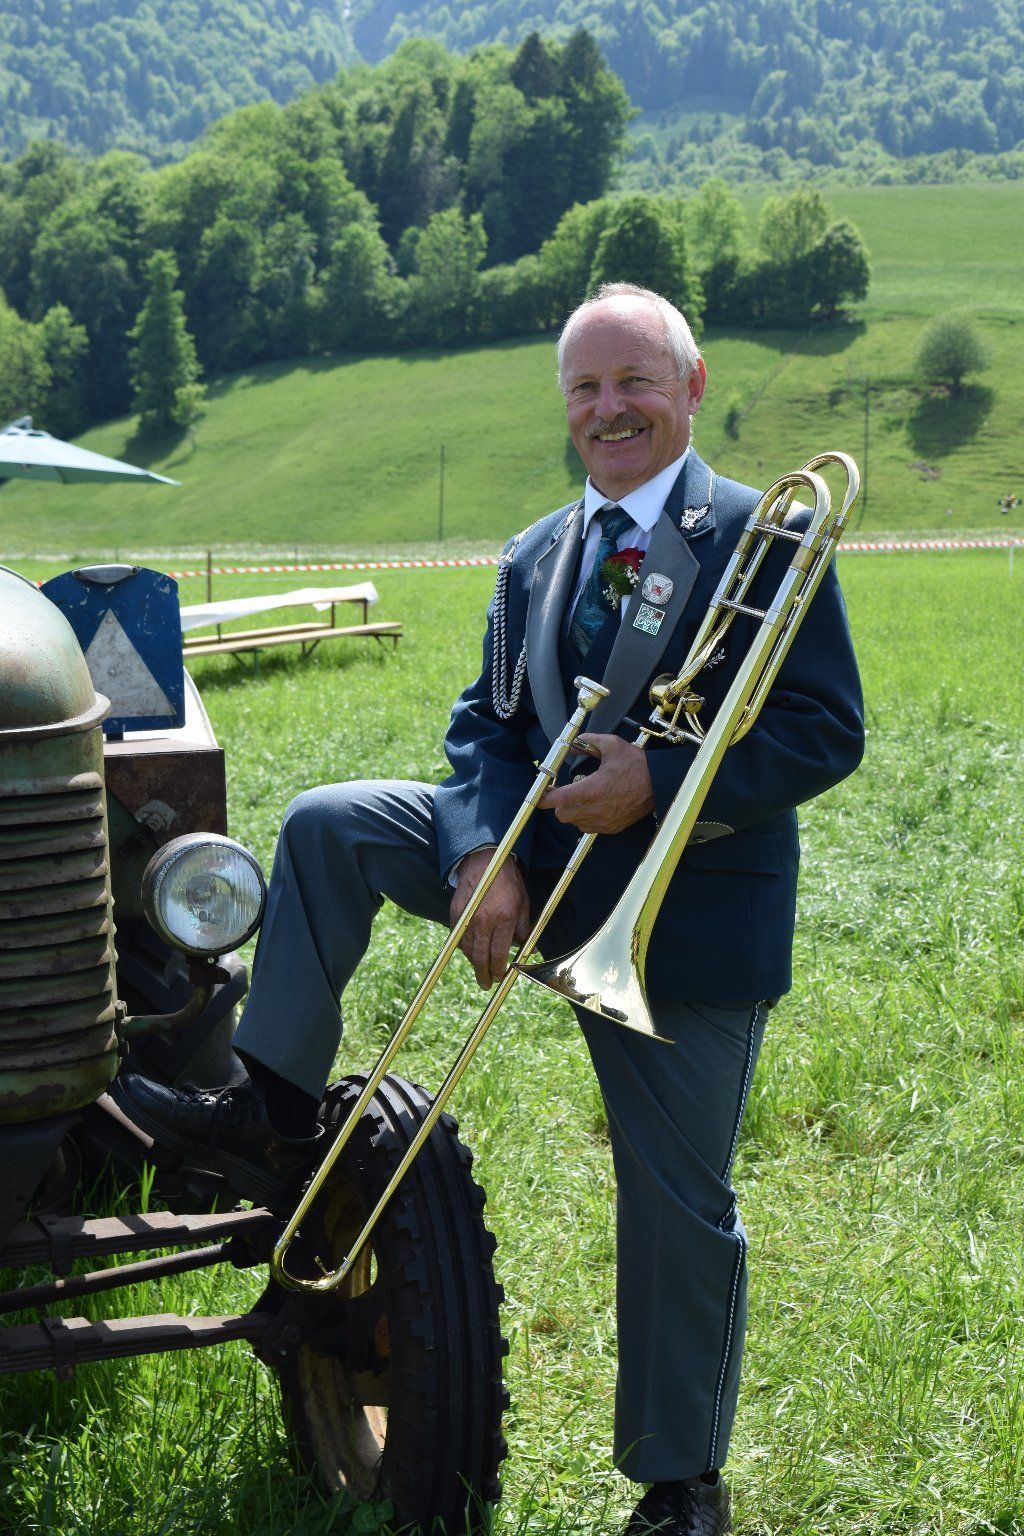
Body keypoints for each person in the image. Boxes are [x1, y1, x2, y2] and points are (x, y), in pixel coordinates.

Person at [115, 283, 864, 1536]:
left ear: (689, 387)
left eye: (634, 382)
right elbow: (484, 728)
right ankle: (275, 1113)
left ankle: (680, 1482)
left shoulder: (760, 536)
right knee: (329, 821)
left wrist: (660, 779)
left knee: (675, 1207)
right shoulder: (532, 553)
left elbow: (824, 730)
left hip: (676, 925)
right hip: (540, 882)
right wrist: (476, 854)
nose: (608, 407)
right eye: (585, 387)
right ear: (565, 405)